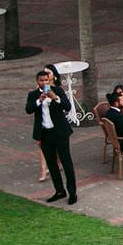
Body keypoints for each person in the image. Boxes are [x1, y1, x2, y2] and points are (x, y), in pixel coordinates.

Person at [26, 65, 79, 204]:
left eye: (46, 80)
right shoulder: (33, 95)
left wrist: (55, 98)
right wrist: (40, 100)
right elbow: (29, 109)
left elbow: (67, 107)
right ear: (38, 82)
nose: (44, 83)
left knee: (66, 163)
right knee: (52, 164)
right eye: (41, 80)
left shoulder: (58, 91)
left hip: (60, 133)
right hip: (45, 134)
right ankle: (59, 190)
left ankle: (72, 193)